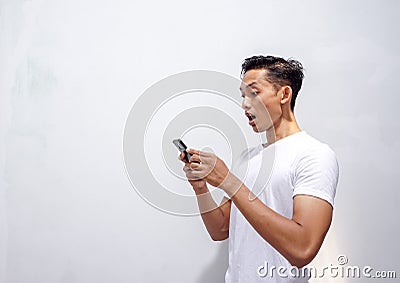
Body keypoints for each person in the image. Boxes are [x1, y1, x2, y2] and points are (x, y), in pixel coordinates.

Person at [179, 55, 339, 282]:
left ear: (284, 94)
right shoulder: (248, 158)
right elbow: (220, 230)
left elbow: (303, 249)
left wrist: (228, 181)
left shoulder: (315, 155)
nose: (245, 104)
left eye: (254, 93)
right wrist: (200, 188)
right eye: (243, 95)